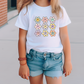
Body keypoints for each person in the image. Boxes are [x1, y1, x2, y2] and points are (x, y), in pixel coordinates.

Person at [15, 0, 72, 84]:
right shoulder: (26, 10)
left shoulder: (59, 10)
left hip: (54, 60)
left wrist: (68, 61)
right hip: (34, 59)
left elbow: (65, 36)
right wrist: (22, 64)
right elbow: (22, 38)